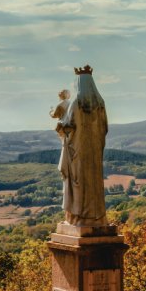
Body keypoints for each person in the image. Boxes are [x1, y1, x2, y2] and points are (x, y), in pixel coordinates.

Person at [58, 66, 108, 227]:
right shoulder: (100, 103)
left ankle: (78, 217)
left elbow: (68, 126)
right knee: (94, 183)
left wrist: (60, 125)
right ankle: (97, 218)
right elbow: (104, 128)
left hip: (78, 152)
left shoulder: (76, 102)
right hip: (94, 153)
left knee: (79, 184)